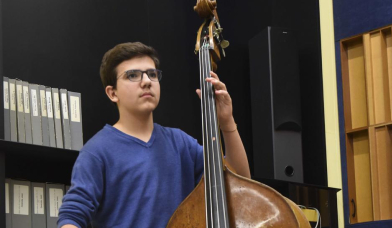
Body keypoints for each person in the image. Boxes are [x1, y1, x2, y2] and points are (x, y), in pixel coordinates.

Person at [58, 42, 250, 228]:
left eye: (152, 74)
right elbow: (72, 214)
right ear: (112, 93)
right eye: (132, 75)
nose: (146, 82)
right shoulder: (96, 151)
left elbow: (240, 183)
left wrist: (226, 122)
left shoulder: (180, 143)